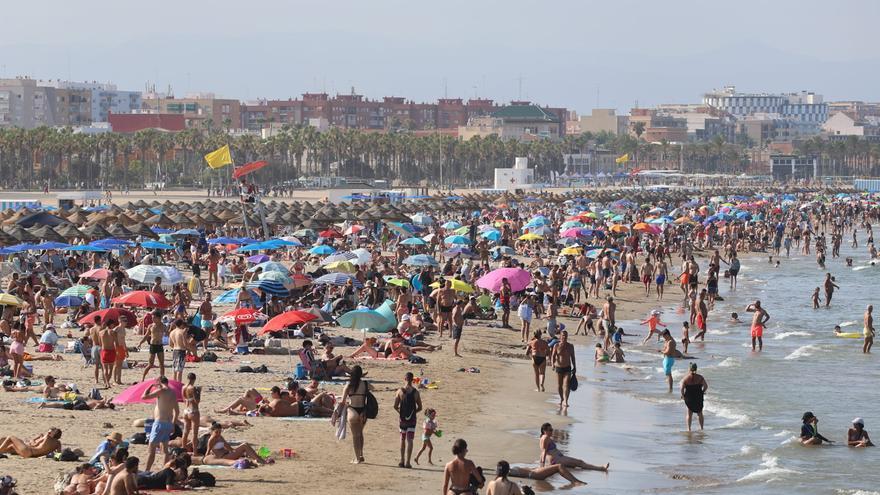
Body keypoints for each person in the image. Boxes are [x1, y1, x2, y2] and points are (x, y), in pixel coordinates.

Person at [142, 376, 180, 471]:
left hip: (159, 423)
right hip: (168, 424)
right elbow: (177, 411)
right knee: (165, 451)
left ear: (159, 383)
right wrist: (173, 425)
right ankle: (165, 470)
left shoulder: (161, 391)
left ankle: (146, 471)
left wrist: (150, 386)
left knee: (151, 450)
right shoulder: (173, 393)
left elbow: (143, 397)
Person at [333, 365, 369, 464]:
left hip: (353, 410)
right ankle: (361, 455)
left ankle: (357, 458)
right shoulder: (365, 384)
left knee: (355, 436)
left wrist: (337, 412)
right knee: (360, 433)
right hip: (363, 411)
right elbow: (370, 393)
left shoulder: (349, 385)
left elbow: (343, 401)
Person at [538, 423, 608, 471]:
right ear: (544, 431)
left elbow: (543, 452)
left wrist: (541, 463)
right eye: (550, 430)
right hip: (557, 460)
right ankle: (601, 468)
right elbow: (544, 452)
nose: (552, 431)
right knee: (580, 462)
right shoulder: (546, 437)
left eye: (552, 430)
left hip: (556, 460)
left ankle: (599, 468)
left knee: (573, 467)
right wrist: (542, 466)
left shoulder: (542, 438)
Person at [203, 422, 267, 466]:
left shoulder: (220, 437)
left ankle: (259, 459)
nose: (218, 433)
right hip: (224, 457)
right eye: (216, 432)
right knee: (244, 445)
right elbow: (208, 452)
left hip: (228, 454)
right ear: (212, 431)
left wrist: (237, 451)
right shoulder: (211, 440)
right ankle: (259, 460)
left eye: (220, 432)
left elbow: (228, 447)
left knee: (245, 445)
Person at [393, 371, 422, 468]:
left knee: (402, 438)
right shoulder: (416, 392)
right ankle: (408, 462)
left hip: (402, 420)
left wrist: (401, 413)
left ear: (404, 379)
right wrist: (413, 413)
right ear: (413, 380)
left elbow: (395, 406)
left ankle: (402, 460)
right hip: (412, 420)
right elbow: (420, 407)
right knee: (410, 440)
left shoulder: (399, 391)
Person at [138, 310, 167, 381]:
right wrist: (140, 342)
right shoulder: (151, 326)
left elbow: (168, 334)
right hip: (153, 345)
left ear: (159, 318)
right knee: (150, 364)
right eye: (152, 317)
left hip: (160, 345)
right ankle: (143, 378)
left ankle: (162, 378)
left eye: (154, 317)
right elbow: (146, 335)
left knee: (161, 364)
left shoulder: (163, 326)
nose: (152, 319)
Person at [549, 330, 575, 407]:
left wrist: (575, 367)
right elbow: (553, 356)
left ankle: (566, 401)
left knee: (566, 384)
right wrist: (552, 364)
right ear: (560, 336)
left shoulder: (570, 346)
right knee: (559, 385)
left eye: (566, 335)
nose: (564, 337)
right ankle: (561, 399)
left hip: (567, 367)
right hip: (558, 367)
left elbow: (573, 357)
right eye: (563, 335)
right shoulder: (556, 345)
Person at [680, 363, 708, 431]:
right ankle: (701, 428)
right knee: (700, 413)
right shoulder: (700, 377)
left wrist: (683, 395)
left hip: (689, 397)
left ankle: (689, 429)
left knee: (689, 413)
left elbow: (681, 388)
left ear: (689, 369)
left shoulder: (685, 378)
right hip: (698, 396)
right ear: (696, 369)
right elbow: (706, 386)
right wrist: (702, 392)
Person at [181, 373, 201, 453]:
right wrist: (198, 392)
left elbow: (184, 399)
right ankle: (195, 452)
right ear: (194, 379)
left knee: (185, 432)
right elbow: (197, 401)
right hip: (193, 411)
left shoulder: (183, 387)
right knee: (194, 433)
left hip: (186, 410)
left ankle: (183, 449)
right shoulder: (193, 388)